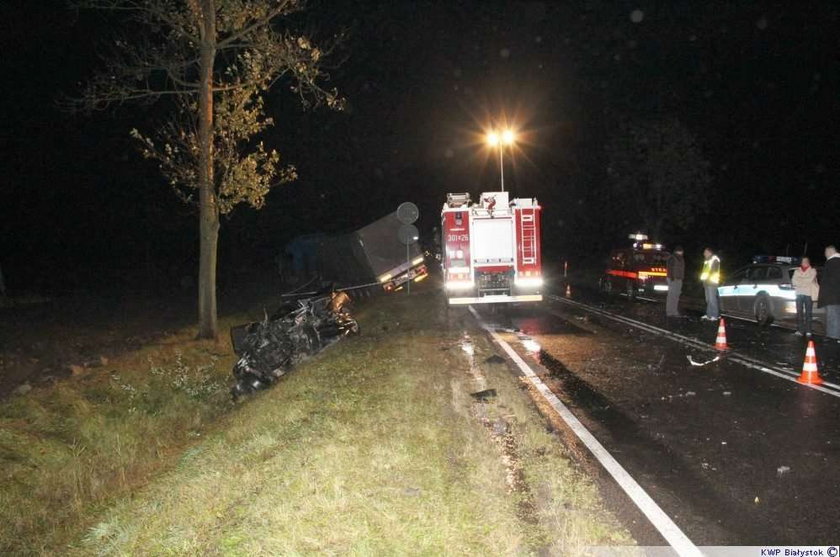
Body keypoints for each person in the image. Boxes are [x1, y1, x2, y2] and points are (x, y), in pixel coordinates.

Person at [791, 256, 818, 337]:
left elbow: (809, 280)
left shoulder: (813, 270)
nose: (805, 262)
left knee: (808, 313)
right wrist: (803, 281)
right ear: (801, 262)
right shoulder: (796, 271)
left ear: (809, 262)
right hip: (798, 294)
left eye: (806, 261)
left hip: (808, 294)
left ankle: (808, 330)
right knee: (799, 312)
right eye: (803, 261)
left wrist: (800, 281)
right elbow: (794, 281)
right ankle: (800, 330)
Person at [819, 245, 840, 341]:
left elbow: (830, 280)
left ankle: (833, 336)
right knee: (836, 315)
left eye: (825, 252)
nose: (825, 254)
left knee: (832, 316)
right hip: (836, 295)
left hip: (831, 295)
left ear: (830, 251)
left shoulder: (832, 262)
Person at [700, 247, 721, 321]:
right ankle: (709, 314)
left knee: (712, 299)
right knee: (708, 299)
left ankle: (715, 315)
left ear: (710, 252)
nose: (704, 254)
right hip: (706, 282)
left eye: (705, 252)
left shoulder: (714, 259)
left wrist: (708, 279)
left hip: (712, 282)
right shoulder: (707, 261)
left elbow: (713, 271)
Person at [665, 246, 685, 317]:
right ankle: (669, 311)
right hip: (672, 279)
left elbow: (681, 269)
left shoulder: (681, 259)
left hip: (679, 279)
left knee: (676, 296)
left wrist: (682, 278)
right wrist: (671, 277)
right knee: (671, 296)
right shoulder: (672, 258)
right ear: (678, 251)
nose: (682, 253)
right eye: (681, 252)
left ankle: (674, 311)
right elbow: (669, 268)